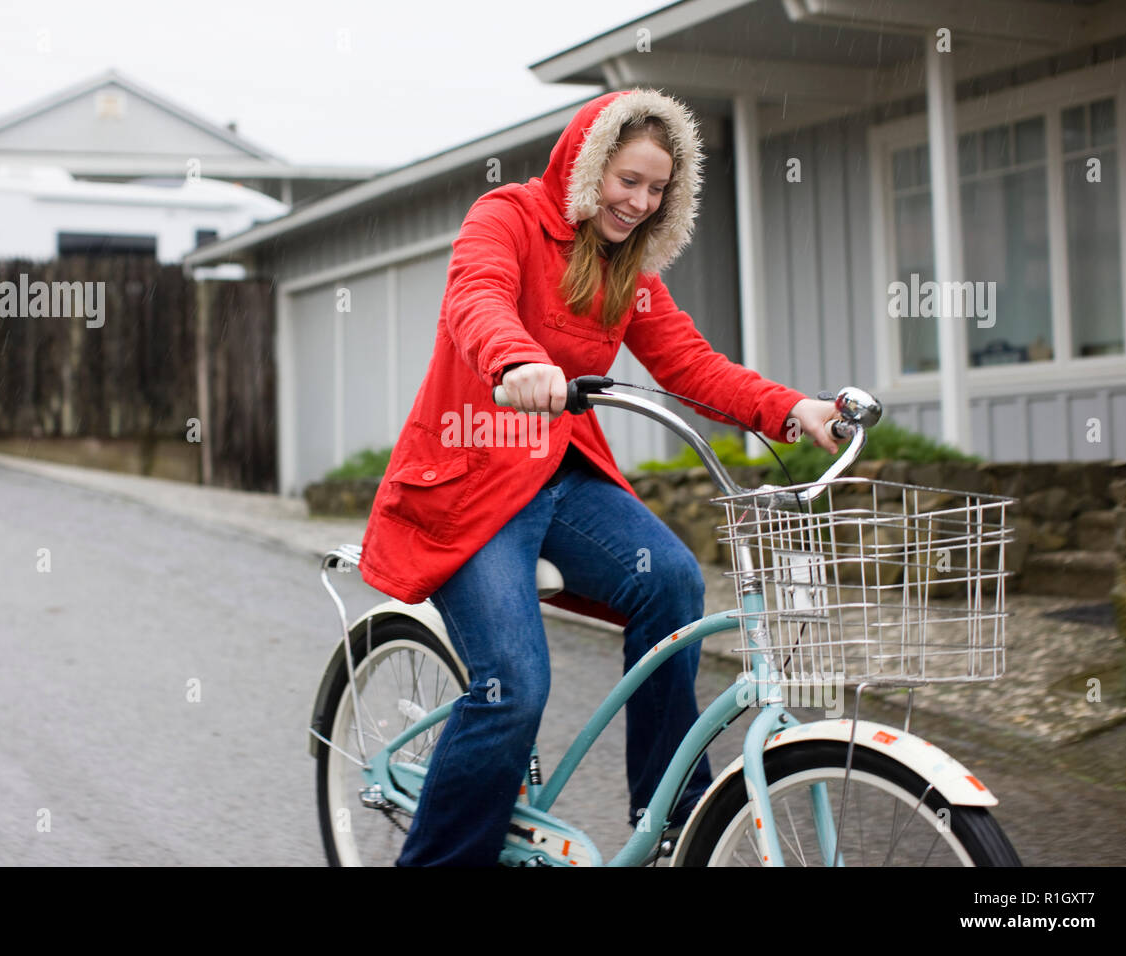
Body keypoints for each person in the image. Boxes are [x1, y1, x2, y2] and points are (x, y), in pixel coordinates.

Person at [357, 88, 844, 867]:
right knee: (513, 685)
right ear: (590, 167)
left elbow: (690, 364)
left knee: (674, 584)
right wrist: (516, 359)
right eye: (628, 181)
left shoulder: (628, 269)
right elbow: (475, 298)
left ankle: (668, 818)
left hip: (557, 470)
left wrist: (794, 410)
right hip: (471, 477)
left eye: (657, 190)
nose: (640, 203)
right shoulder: (507, 216)